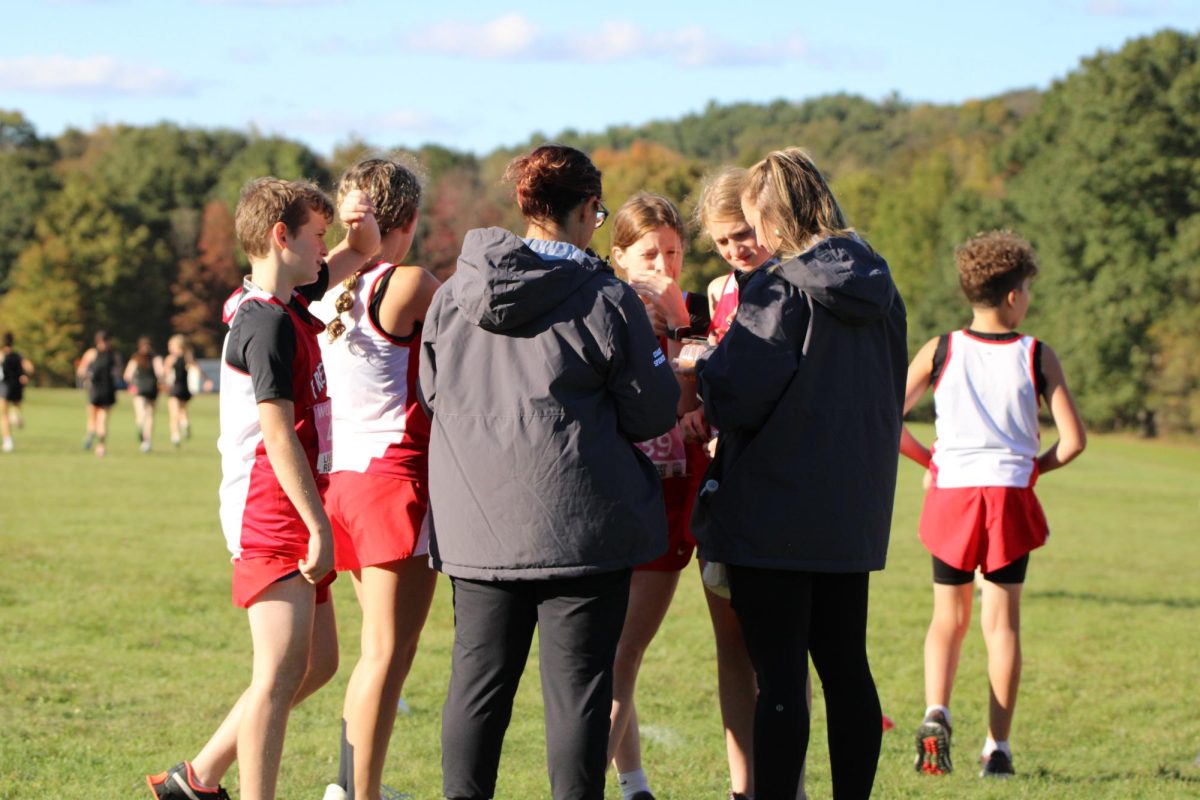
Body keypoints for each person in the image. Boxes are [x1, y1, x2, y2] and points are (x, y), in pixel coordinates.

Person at [420, 144, 680, 800]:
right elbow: (653, 412)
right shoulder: (606, 299)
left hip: (478, 527)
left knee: (476, 690)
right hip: (581, 529)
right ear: (589, 210)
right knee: (578, 697)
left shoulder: (454, 294)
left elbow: (429, 391)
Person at [145, 177, 379, 800]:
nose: (326, 250)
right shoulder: (266, 324)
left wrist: (362, 237)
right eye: (317, 236)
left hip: (295, 508)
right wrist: (320, 527)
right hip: (272, 513)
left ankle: (194, 780)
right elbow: (278, 437)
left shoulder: (286, 306)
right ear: (282, 237)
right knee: (276, 675)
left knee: (316, 663)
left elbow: (336, 268)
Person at [690, 147, 907, 800]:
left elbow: (737, 394)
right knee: (846, 669)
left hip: (775, 510)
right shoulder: (883, 286)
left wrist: (702, 368)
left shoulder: (780, 287)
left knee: (781, 680)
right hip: (852, 509)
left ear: (771, 212)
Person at [901, 230, 1085, 779]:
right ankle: (997, 749)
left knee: (946, 618)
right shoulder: (1037, 354)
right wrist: (1034, 468)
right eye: (1028, 288)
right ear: (1013, 296)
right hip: (1008, 494)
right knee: (1001, 626)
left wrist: (929, 462)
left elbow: (886, 419)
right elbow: (1073, 442)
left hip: (952, 494)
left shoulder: (940, 349)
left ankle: (936, 711)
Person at [308, 158, 441, 800]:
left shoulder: (325, 285)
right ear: (408, 220)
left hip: (342, 483)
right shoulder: (410, 281)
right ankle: (355, 793)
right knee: (387, 656)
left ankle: (356, 785)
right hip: (393, 480)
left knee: (374, 652)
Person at [604, 193, 710, 800]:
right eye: (649, 254)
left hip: (677, 493)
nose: (665, 264)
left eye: (672, 251)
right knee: (615, 654)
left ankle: (626, 784)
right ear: (619, 256)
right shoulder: (605, 306)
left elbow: (696, 400)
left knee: (623, 652)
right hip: (616, 492)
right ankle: (633, 784)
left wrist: (681, 320)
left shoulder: (694, 310)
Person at [77, 330, 122, 458]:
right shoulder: (92, 354)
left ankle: (100, 445)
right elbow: (81, 370)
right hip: (94, 389)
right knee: (92, 417)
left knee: (103, 420)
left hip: (107, 390)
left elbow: (119, 372)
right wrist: (87, 376)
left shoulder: (114, 355)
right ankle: (91, 434)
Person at [124, 336, 164, 453]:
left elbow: (127, 375)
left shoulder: (135, 358)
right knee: (150, 415)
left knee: (141, 413)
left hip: (140, 389)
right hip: (152, 388)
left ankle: (141, 429)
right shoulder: (155, 358)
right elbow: (160, 373)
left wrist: (131, 386)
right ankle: (147, 442)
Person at [0, 332, 34, 453]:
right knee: (15, 408)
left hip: (4, 386)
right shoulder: (19, 355)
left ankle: (8, 441)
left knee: (3, 415)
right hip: (18, 387)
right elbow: (30, 368)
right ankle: (16, 417)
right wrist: (25, 376)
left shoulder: (2, 355)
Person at [164, 334, 197, 447]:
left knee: (173, 413)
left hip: (174, 388)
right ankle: (185, 423)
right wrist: (206, 380)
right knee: (182, 410)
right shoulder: (188, 357)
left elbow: (166, 374)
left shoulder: (170, 358)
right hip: (185, 389)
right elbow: (196, 369)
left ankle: (175, 436)